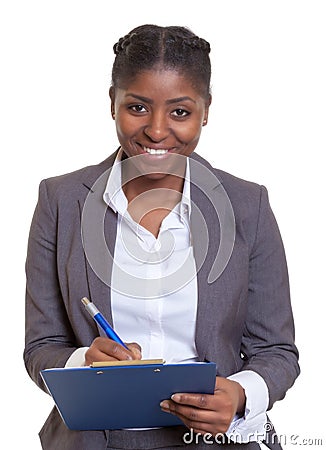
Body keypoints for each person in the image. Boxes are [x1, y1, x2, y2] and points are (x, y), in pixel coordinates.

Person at [24, 24, 300, 450]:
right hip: (96, 440)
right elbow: (42, 347)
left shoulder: (248, 206)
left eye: (180, 112)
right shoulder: (60, 201)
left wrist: (242, 394)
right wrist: (84, 362)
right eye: (137, 107)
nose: (156, 130)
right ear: (112, 103)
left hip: (216, 439)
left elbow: (277, 350)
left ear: (205, 111)